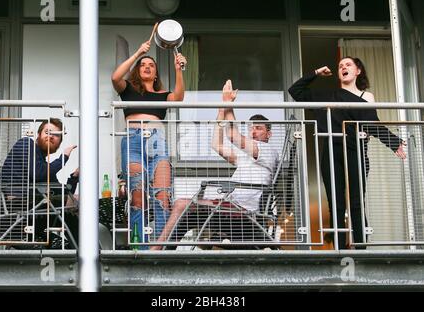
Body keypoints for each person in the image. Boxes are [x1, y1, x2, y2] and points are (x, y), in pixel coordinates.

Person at [288, 56, 406, 249]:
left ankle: (360, 248)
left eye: (348, 64)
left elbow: (371, 123)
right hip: (332, 150)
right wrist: (317, 72)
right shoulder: (328, 96)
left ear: (358, 71)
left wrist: (393, 143)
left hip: (356, 151)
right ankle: (340, 249)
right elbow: (295, 91)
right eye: (340, 65)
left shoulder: (366, 97)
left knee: (357, 201)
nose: (343, 67)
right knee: (336, 203)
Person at [150, 80, 279, 250]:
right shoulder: (247, 157)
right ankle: (167, 251)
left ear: (268, 134)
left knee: (182, 204)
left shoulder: (267, 151)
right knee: (185, 213)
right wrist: (222, 110)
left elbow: (233, 136)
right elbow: (216, 145)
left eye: (259, 128)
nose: (253, 132)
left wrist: (226, 104)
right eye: (251, 128)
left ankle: (157, 249)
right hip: (230, 206)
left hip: (242, 211)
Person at [111, 39, 187, 246]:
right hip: (133, 141)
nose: (147, 67)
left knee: (162, 195)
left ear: (155, 74)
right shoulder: (127, 89)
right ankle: (140, 246)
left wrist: (178, 69)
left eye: (151, 65)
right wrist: (137, 53)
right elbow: (116, 76)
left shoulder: (162, 95)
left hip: (157, 142)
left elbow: (178, 97)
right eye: (143, 65)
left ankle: (158, 246)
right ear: (138, 70)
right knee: (138, 196)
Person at [1, 118, 79, 247]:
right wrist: (63, 157)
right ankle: (87, 252)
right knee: (75, 208)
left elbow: (62, 192)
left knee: (74, 206)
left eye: (57, 135)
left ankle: (82, 251)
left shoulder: (42, 164)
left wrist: (74, 177)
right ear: (38, 135)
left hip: (33, 210)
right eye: (47, 132)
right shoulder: (26, 144)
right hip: (19, 210)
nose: (51, 136)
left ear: (59, 143)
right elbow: (38, 173)